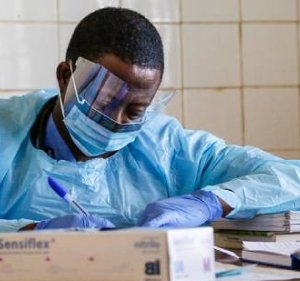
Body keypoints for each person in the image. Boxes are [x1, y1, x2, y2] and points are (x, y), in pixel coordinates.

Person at [1, 7, 300, 232]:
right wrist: (29, 234)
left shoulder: (167, 147)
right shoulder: (7, 133)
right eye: (105, 102)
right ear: (66, 77)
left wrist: (211, 202)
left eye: (135, 110)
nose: (117, 122)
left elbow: (291, 179)